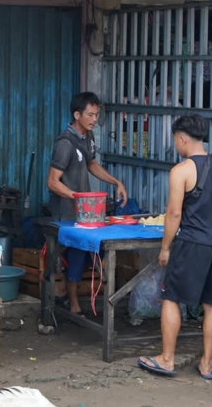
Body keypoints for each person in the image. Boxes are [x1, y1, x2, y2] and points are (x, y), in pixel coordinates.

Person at [138, 114, 212, 379]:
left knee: (172, 298)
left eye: (176, 139)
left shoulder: (181, 170)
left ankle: (167, 359)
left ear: (182, 138)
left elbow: (174, 214)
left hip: (191, 245)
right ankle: (207, 364)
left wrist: (165, 248)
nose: (176, 144)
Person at [47, 92, 128, 316]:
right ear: (77, 115)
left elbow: (92, 164)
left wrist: (115, 182)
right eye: (90, 115)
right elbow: (52, 182)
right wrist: (77, 197)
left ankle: (75, 300)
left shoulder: (88, 137)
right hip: (67, 213)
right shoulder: (65, 143)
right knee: (75, 255)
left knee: (85, 253)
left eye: (96, 114)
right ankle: (71, 303)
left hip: (85, 213)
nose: (94, 119)